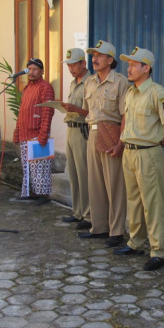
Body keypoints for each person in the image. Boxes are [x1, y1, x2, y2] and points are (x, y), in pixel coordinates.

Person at [114, 47, 164, 271]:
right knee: (133, 200)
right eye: (128, 64)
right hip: (130, 153)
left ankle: (158, 251)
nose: (129, 68)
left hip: (147, 154)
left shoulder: (157, 92)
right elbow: (127, 122)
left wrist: (157, 137)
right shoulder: (131, 92)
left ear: (147, 67)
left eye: (134, 64)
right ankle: (135, 242)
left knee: (152, 203)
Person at [67, 40, 129, 248]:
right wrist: (71, 108)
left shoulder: (120, 82)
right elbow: (88, 113)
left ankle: (117, 231)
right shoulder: (90, 82)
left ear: (110, 60)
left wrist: (120, 143)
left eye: (99, 55)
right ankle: (99, 226)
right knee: (95, 184)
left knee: (114, 185)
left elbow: (124, 116)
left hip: (111, 133)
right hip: (92, 134)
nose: (94, 59)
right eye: (93, 55)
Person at [13, 58, 55, 205]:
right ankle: (31, 193)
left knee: (40, 167)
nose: (31, 72)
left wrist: (43, 134)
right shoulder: (27, 88)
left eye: (35, 69)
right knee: (27, 167)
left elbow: (47, 112)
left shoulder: (45, 87)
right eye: (29, 69)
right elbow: (22, 112)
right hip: (25, 133)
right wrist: (17, 133)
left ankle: (43, 195)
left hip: (38, 134)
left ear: (42, 71)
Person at [60, 48, 92, 230]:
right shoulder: (74, 83)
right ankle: (77, 211)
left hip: (83, 130)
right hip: (70, 129)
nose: (71, 69)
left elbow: (92, 112)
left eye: (74, 65)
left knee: (84, 173)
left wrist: (75, 109)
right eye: (69, 65)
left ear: (83, 64)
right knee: (73, 173)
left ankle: (88, 214)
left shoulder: (91, 82)